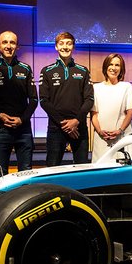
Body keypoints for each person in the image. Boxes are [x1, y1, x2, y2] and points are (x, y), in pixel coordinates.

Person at [0, 31, 38, 175]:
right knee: (0, 174)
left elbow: (34, 99)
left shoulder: (26, 69)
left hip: (24, 130)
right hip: (1, 130)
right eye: (5, 42)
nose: (8, 46)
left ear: (17, 46)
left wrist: (22, 119)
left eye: (12, 42)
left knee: (26, 174)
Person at [38, 31, 94, 166]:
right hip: (56, 128)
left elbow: (89, 99)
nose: (65, 47)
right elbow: (44, 101)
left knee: (82, 168)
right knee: (52, 168)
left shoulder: (83, 71)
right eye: (61, 43)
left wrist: (75, 121)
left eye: (69, 44)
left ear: (73, 47)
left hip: (79, 127)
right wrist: (64, 124)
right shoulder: (46, 71)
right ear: (56, 47)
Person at [90, 53, 132, 163]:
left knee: (124, 169)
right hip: (102, 137)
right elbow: (94, 114)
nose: (113, 68)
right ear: (105, 66)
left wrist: (119, 130)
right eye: (111, 64)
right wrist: (100, 131)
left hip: (122, 136)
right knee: (101, 170)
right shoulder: (96, 88)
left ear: (121, 69)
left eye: (117, 65)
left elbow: (130, 112)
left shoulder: (126, 86)